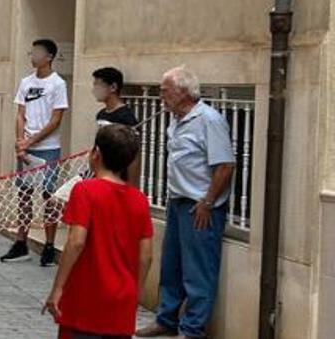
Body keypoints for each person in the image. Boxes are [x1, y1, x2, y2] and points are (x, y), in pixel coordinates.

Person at [136, 67, 235, 339]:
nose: (160, 97)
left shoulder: (209, 120)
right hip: (177, 201)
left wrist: (208, 201)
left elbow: (225, 165)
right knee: (172, 266)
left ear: (183, 92)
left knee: (198, 271)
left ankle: (192, 329)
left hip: (200, 205)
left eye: (165, 91)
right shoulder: (176, 119)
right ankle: (166, 319)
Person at [44, 124, 153, 339]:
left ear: (96, 154)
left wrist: (58, 288)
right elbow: (146, 256)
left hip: (86, 296)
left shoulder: (85, 190)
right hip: (122, 298)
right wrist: (135, 293)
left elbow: (76, 242)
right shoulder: (139, 200)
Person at [1, 38, 69, 267]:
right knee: (24, 194)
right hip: (26, 147)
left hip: (48, 147)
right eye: (32, 51)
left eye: (38, 52)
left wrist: (32, 140)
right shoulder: (25, 82)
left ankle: (49, 246)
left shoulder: (57, 84)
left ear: (49, 57)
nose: (33, 55)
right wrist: (20, 141)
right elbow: (20, 113)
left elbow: (56, 119)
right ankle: (21, 241)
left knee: (49, 195)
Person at [92, 66, 141, 185]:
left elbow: (134, 155)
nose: (94, 90)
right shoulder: (101, 114)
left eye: (98, 85)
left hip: (119, 178)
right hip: (101, 175)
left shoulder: (126, 117)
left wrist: (132, 185)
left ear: (113, 87)